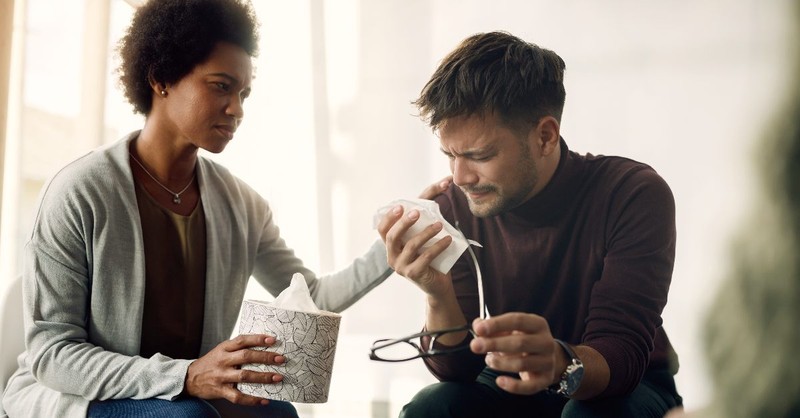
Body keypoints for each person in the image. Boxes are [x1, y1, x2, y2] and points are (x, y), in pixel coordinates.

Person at [0, 1, 447, 417]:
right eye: (221, 87)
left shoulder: (242, 204)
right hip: (77, 398)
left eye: (244, 94)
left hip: (191, 394)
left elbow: (310, 296)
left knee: (279, 412)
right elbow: (52, 356)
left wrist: (392, 243)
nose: (236, 109)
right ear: (161, 78)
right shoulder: (80, 191)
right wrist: (187, 375)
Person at [376, 31, 682, 417]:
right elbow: (457, 371)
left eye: (479, 155)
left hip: (624, 386)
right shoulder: (455, 204)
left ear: (545, 136)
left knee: (588, 414)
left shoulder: (631, 194)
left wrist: (558, 361)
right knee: (432, 408)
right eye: (450, 155)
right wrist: (438, 293)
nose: (460, 177)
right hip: (509, 382)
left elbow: (620, 354)